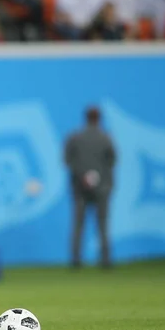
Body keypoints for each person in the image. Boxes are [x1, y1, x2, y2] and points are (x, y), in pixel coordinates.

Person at [64, 107, 116, 269]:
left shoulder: (75, 137)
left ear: (85, 118)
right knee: (103, 223)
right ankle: (105, 259)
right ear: (99, 118)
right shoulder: (106, 138)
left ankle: (75, 259)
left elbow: (67, 160)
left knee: (78, 223)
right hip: (102, 186)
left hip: (79, 186)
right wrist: (99, 176)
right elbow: (112, 160)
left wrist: (82, 176)